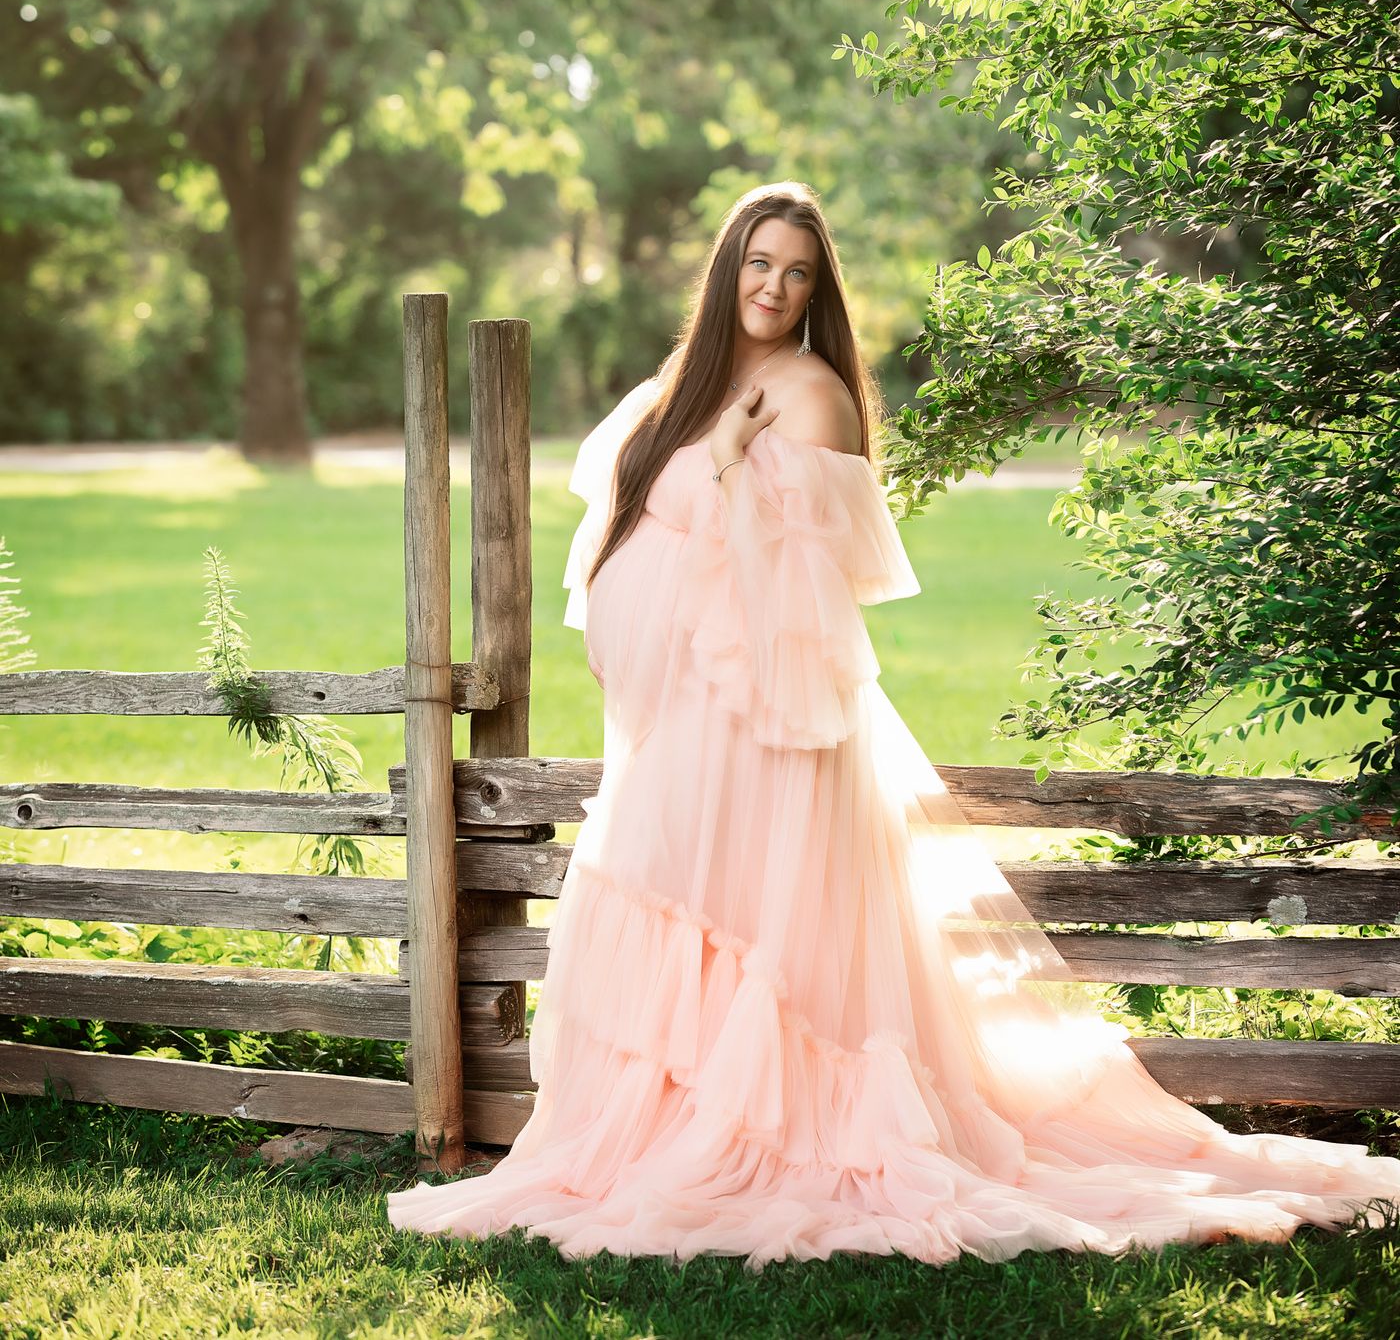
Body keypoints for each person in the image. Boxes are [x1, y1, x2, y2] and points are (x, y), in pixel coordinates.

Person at [387, 181, 1400, 1268]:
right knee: (668, 908)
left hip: (762, 728)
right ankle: (649, 1139)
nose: (773, 286)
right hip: (675, 724)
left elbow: (792, 599)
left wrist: (729, 466)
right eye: (757, 262)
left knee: (743, 932)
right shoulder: (680, 386)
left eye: (797, 271)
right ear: (726, 265)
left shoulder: (808, 395)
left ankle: (768, 1137)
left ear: (817, 289)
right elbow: (617, 532)